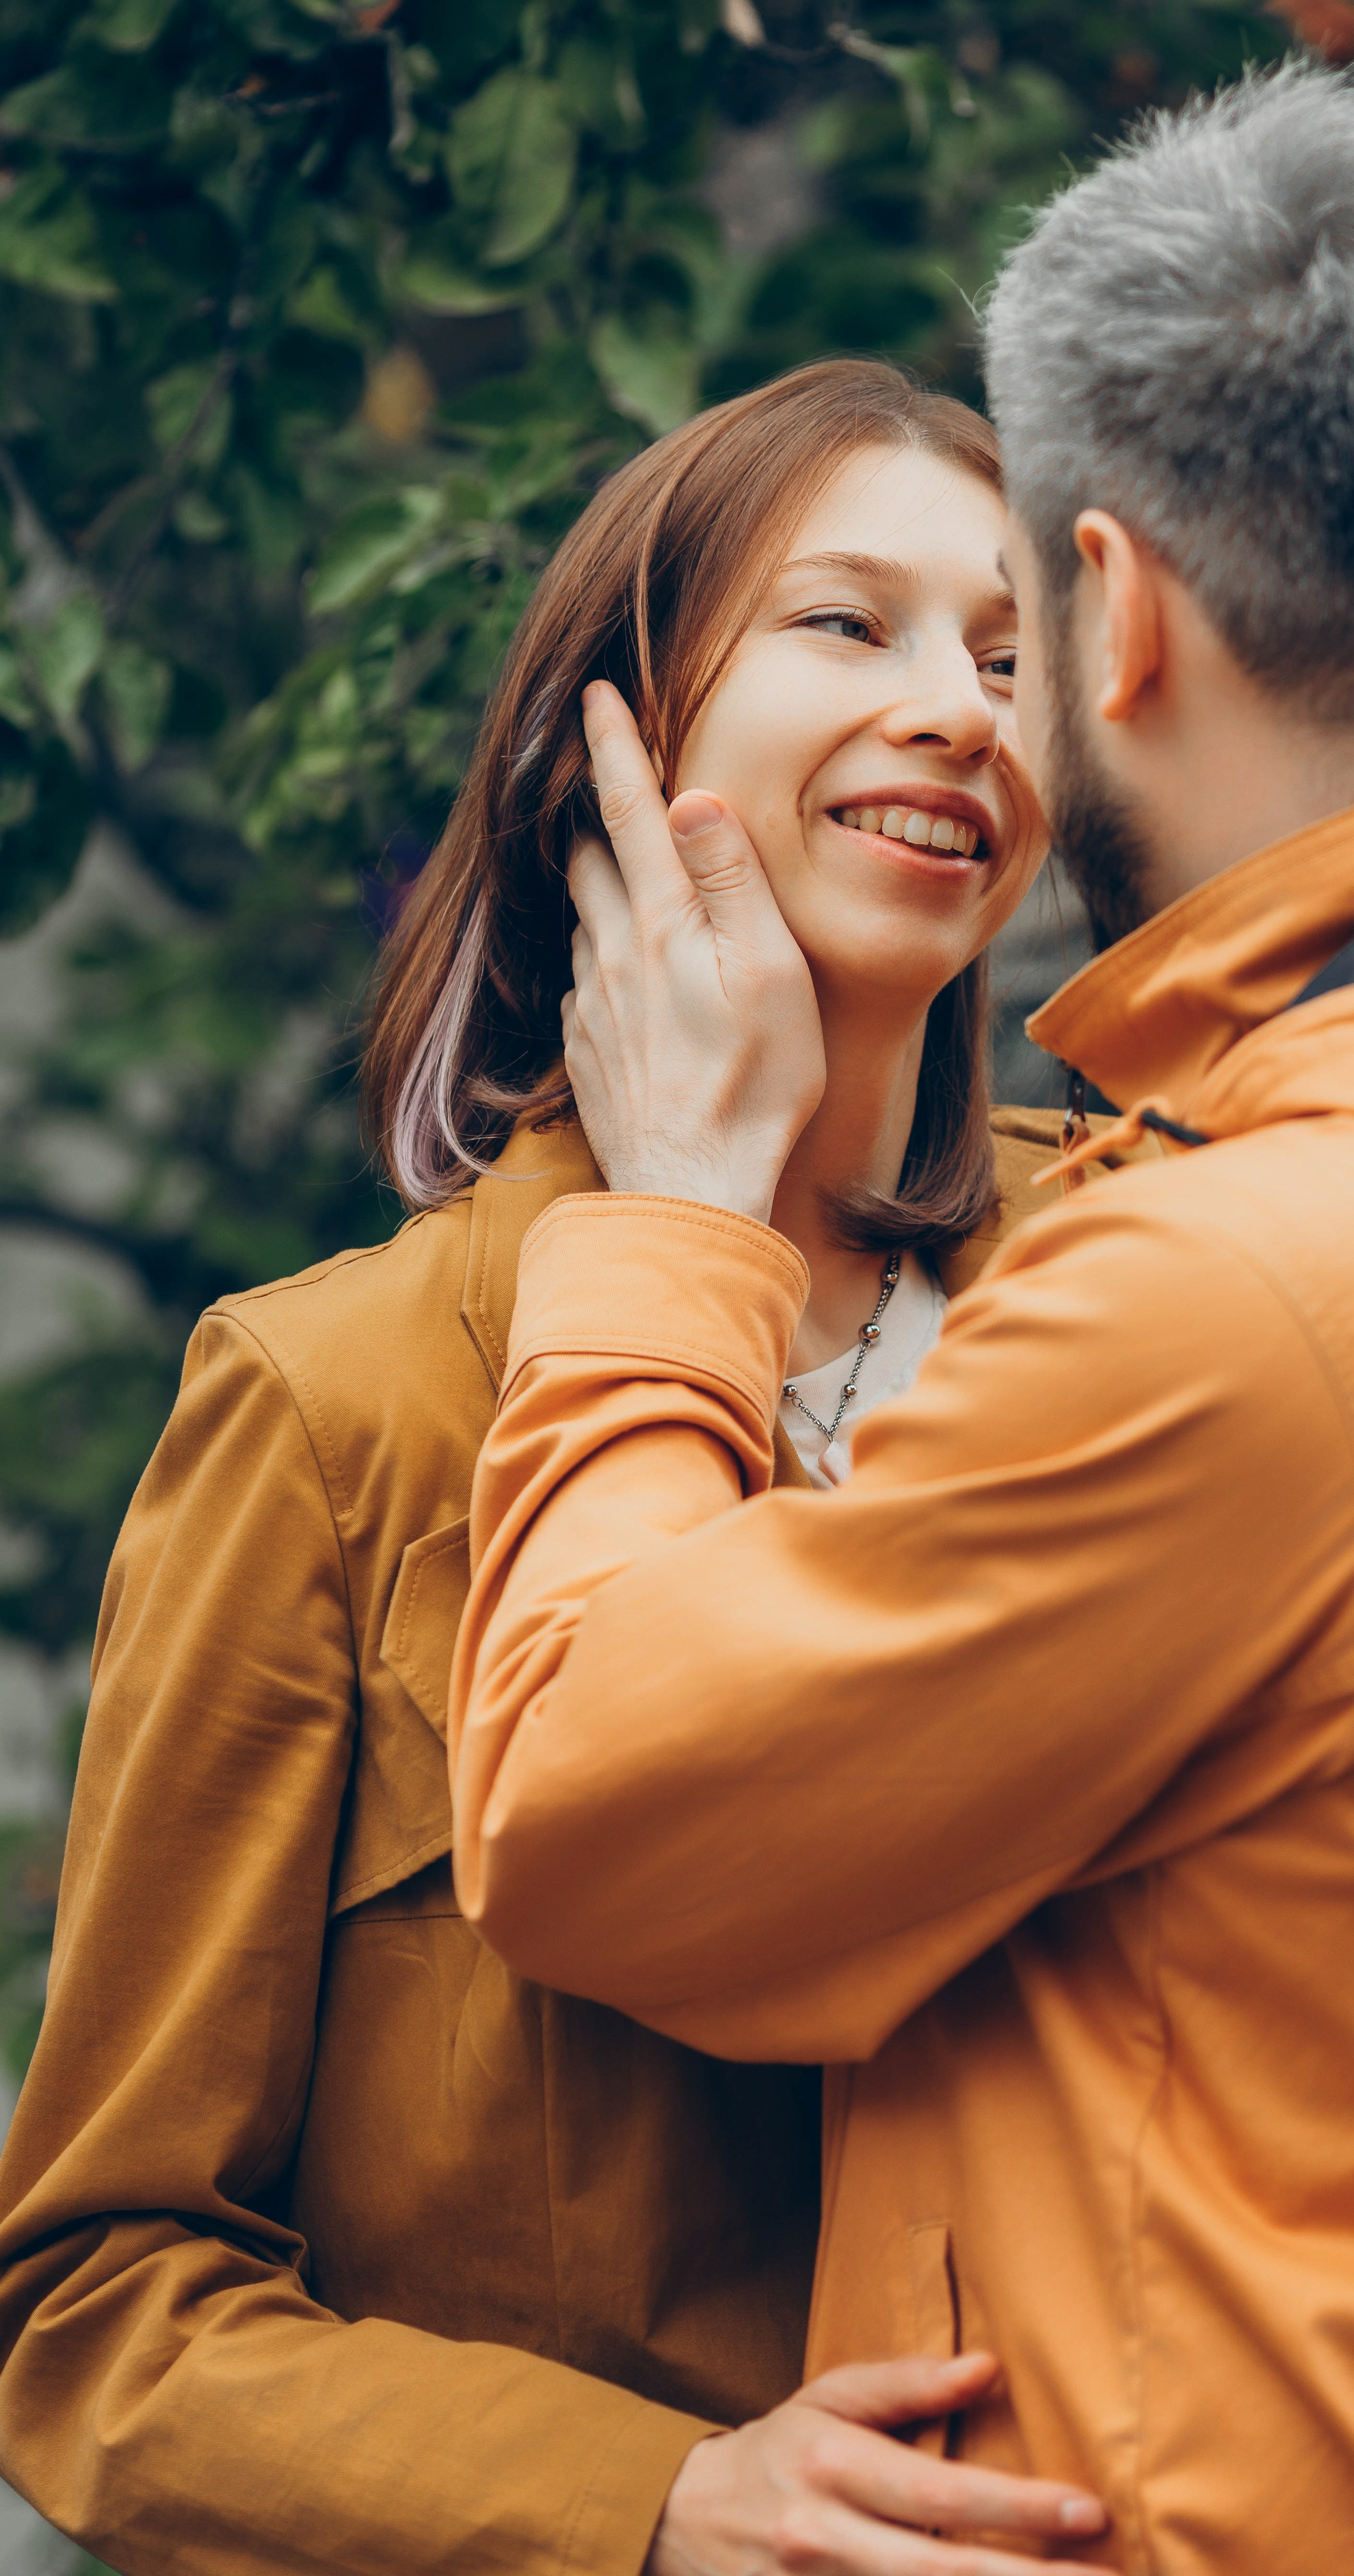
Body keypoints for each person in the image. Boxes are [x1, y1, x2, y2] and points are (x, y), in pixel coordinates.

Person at [449, 63, 1354, 2576]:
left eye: (1008, 621)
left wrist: (676, 1225)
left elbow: (602, 1810)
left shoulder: (1250, 1283)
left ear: (1121, 620)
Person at [0, 360, 1127, 2576]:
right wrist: (652, 2508)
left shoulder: (1172, 1269)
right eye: (849, 627)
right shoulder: (339, 1407)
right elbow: (99, 2307)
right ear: (606, 748)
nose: (958, 711)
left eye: (1014, 659)